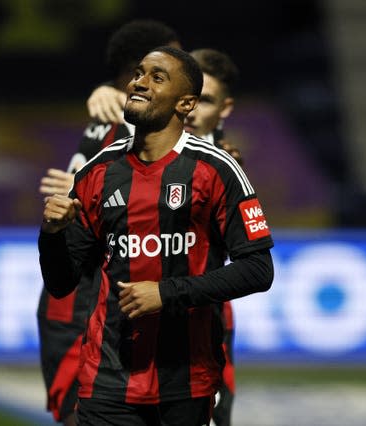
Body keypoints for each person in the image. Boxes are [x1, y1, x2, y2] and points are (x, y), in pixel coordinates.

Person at [39, 46, 274, 425]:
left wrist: (166, 293)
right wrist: (51, 233)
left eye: (156, 77)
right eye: (138, 73)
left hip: (185, 382)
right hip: (107, 381)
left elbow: (259, 270)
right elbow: (61, 281)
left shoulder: (218, 169)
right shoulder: (99, 171)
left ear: (186, 104)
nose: (139, 83)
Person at [84, 47, 243, 426]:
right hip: (116, 356)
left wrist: (166, 292)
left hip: (196, 347)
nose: (197, 111)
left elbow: (254, 264)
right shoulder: (119, 152)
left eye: (207, 101)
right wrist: (105, 90)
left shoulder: (222, 166)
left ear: (220, 110)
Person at [36, 20, 181, 426]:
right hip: (82, 302)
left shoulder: (117, 112)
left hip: (102, 303)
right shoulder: (132, 123)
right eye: (174, 57)